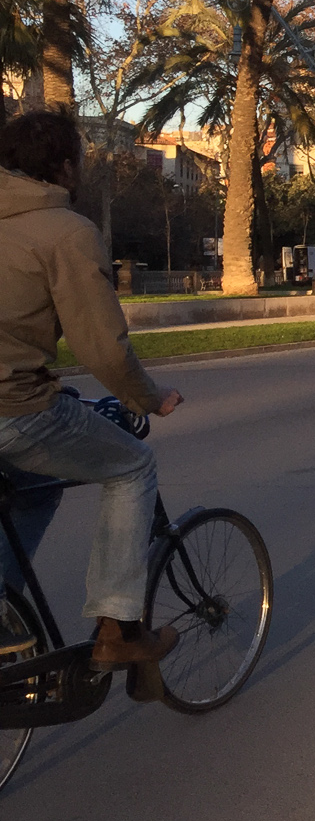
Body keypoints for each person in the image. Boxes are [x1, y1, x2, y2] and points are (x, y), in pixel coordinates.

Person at [0, 113, 182, 670]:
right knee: (132, 468)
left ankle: (3, 612)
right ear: (64, 166)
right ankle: (118, 631)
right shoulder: (66, 232)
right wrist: (147, 397)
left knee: (36, 485)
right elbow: (102, 347)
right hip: (14, 409)